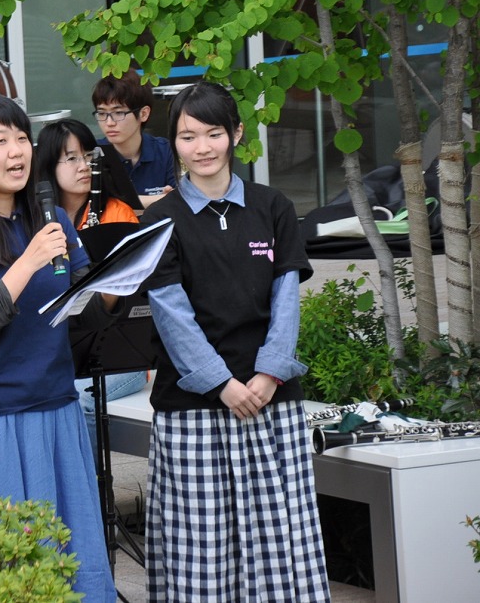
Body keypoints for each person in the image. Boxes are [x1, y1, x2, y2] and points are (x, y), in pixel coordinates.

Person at [140, 81, 328, 601]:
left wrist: (269, 374)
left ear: (237, 134)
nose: (201, 148)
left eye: (213, 133)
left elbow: (286, 299)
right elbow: (171, 314)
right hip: (194, 406)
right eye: (187, 137)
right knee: (202, 550)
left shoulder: (274, 206)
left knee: (281, 542)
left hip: (271, 401)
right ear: (174, 143)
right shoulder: (158, 220)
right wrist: (222, 384)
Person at [0, 94, 114, 603]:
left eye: (22, 139)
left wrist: (118, 284)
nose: (17, 151)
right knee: (2, 571)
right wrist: (28, 261)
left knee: (70, 566)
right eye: (1, 140)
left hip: (57, 412)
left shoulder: (52, 220)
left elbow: (85, 312)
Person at [35, 118, 147, 446]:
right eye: (71, 158)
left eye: (88, 156)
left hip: (117, 355)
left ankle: (89, 478)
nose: (84, 166)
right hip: (60, 350)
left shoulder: (118, 214)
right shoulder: (37, 220)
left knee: (77, 398)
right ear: (48, 166)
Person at [91, 70, 174, 208]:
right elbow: (100, 205)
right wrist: (160, 199)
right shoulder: (93, 154)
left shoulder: (166, 151)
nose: (109, 122)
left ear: (143, 114)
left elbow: (181, 201)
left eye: (118, 113)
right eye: (102, 113)